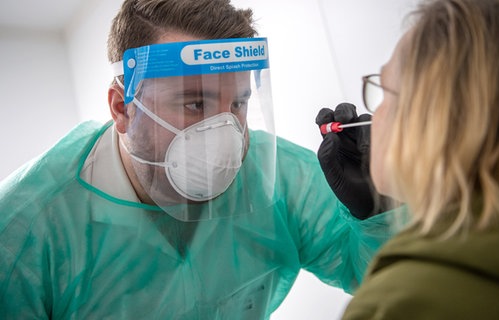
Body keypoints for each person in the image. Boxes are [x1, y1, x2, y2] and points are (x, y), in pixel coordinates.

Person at [0, 0, 402, 318]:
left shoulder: (273, 174)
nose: (225, 134)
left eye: (238, 104)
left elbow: (388, 278)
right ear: (122, 107)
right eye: (195, 103)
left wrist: (380, 209)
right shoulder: (24, 233)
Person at [340, 0, 499, 318]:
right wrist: (379, 217)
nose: (375, 114)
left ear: (441, 119)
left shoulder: (397, 306)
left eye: (384, 90)